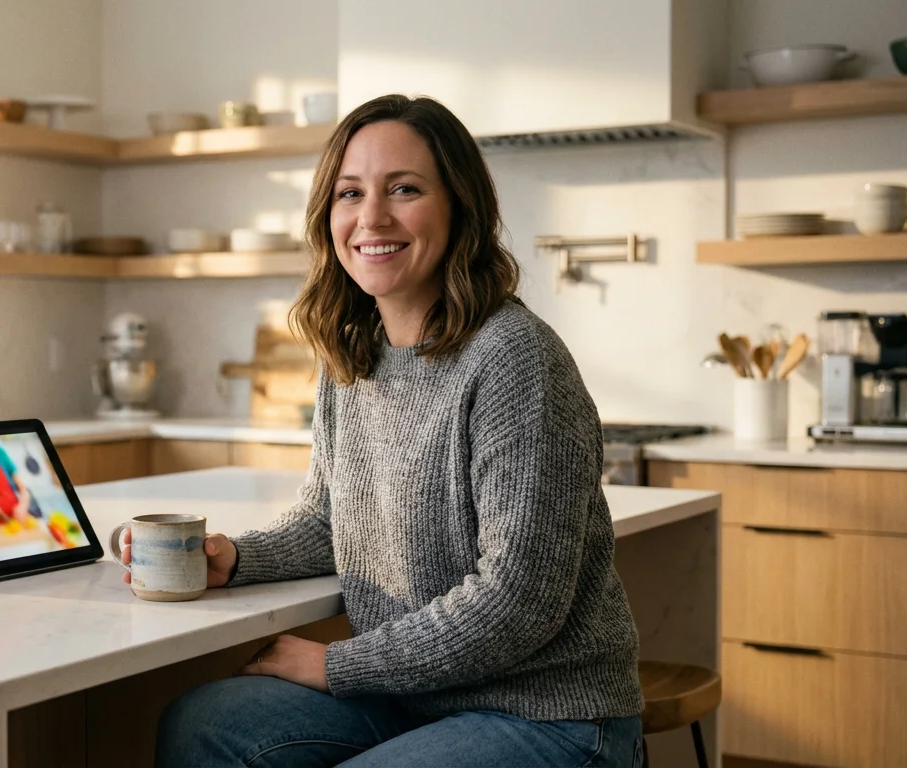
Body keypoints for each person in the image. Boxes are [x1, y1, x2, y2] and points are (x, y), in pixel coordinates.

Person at [122, 94, 645, 767]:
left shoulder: (514, 356)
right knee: (204, 723)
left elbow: (518, 601)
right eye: (349, 193)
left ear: (460, 207)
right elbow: (327, 520)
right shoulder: (352, 352)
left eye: (404, 189)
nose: (371, 218)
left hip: (549, 715)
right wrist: (237, 560)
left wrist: (337, 665)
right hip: (422, 699)